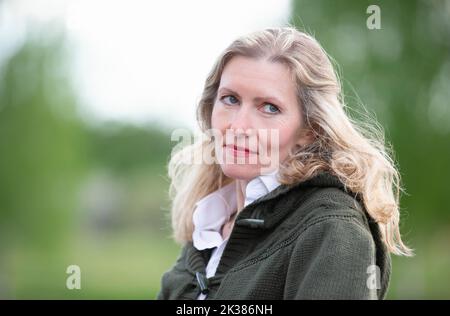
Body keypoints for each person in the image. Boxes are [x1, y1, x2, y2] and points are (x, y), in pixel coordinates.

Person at [157, 26, 412, 300]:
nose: (238, 126)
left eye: (269, 107)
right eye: (230, 99)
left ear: (309, 130)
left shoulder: (332, 229)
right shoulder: (210, 224)